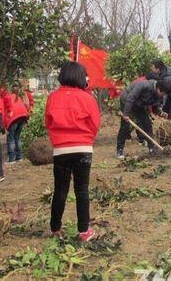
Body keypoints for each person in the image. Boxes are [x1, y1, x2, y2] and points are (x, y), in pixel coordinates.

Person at [45, 62, 101, 242]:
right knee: (81, 190)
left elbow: (49, 123)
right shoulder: (87, 98)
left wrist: (59, 139)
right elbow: (95, 123)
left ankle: (55, 228)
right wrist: (86, 139)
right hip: (83, 148)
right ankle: (84, 231)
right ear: (81, 77)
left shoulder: (53, 97)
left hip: (61, 149)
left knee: (60, 189)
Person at [116, 79, 171, 159]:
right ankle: (119, 149)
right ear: (158, 89)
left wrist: (160, 113)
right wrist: (126, 114)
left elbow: (155, 106)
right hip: (127, 100)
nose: (163, 96)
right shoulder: (144, 85)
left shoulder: (158, 94)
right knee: (125, 126)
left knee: (147, 123)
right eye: (162, 93)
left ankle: (152, 148)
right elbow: (131, 97)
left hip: (140, 104)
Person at [4, 85, 29, 164]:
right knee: (17, 136)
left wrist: (5, 126)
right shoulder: (17, 96)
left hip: (14, 117)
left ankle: (12, 158)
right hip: (23, 116)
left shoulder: (7, 97)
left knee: (10, 137)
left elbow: (5, 112)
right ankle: (19, 157)